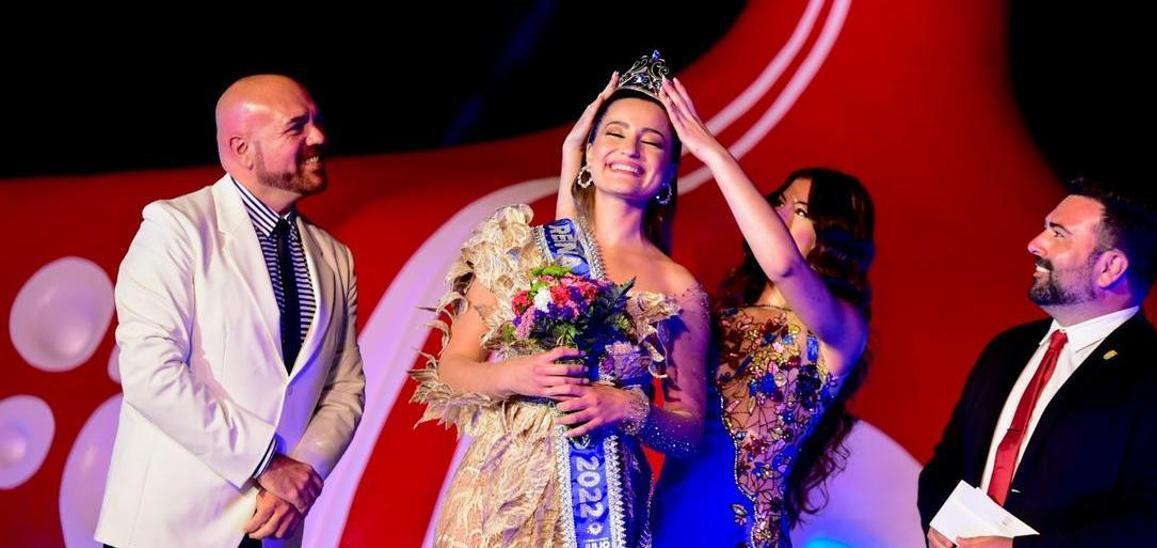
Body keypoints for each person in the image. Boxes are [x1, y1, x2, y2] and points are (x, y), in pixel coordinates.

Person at [411, 51, 710, 547]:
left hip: (606, 511)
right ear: (589, 154)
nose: (629, 149)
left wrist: (629, 409)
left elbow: (689, 433)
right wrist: (514, 374)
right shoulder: (522, 248)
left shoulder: (677, 288)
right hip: (496, 498)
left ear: (668, 174)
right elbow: (452, 368)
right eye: (614, 134)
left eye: (651, 141)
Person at [96, 74, 366, 548]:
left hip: (274, 528)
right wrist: (268, 465)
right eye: (296, 127)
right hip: (171, 531)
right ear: (243, 149)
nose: (319, 138)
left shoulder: (334, 256)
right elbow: (150, 374)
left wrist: (302, 477)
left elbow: (345, 387)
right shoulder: (175, 229)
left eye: (316, 122)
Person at [917, 179, 1157, 547]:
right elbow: (946, 463)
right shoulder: (1007, 349)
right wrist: (937, 522)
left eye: (1058, 234)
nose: (1035, 244)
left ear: (1110, 267)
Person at [645, 79, 875, 547]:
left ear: (832, 233)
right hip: (667, 515)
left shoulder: (841, 327)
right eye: (779, 202)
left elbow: (786, 263)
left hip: (738, 532)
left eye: (800, 210)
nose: (780, 214)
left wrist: (712, 152)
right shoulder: (721, 314)